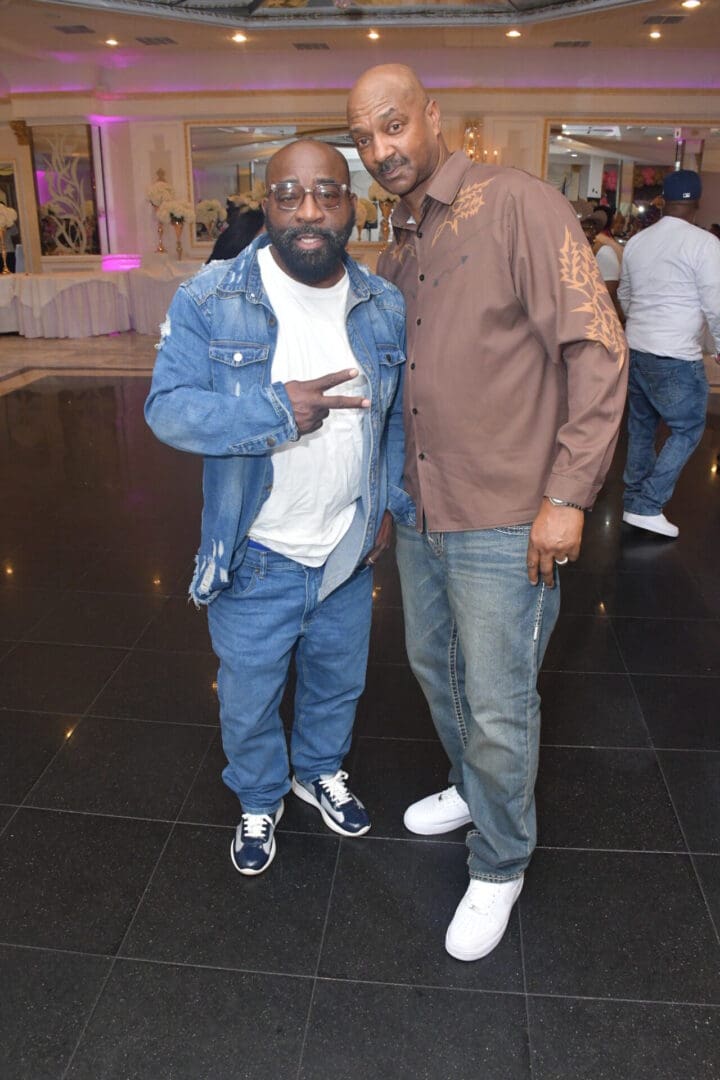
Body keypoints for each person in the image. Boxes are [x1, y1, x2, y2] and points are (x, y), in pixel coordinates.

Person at [347, 64, 627, 961]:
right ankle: (476, 786)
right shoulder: (400, 242)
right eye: (363, 138)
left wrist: (566, 497)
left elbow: (598, 348)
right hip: (428, 508)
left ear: (433, 117)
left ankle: (500, 860)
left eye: (393, 126)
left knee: (502, 701)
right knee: (437, 670)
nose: (380, 150)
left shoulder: (517, 203)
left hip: (511, 513)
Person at [145, 139, 411, 876]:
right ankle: (260, 797)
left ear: (352, 204)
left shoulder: (382, 303)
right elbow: (167, 410)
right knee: (250, 697)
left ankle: (316, 769)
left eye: (327, 193)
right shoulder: (210, 297)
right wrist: (274, 411)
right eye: (289, 195)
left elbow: (393, 421)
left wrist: (384, 504)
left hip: (345, 548)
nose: (309, 211)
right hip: (255, 548)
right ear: (266, 203)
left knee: (337, 681)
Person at [619, 169, 720, 539]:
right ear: (696, 202)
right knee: (688, 427)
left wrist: (644, 322)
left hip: (637, 349)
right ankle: (647, 504)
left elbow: (625, 296)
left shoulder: (638, 241)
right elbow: (717, 305)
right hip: (675, 354)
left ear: (664, 199)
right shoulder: (704, 244)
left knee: (641, 427)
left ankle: (634, 501)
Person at [581, 210, 622, 315]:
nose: (586, 231)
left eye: (589, 227)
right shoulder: (567, 251)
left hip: (596, 316)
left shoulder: (604, 252)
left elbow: (609, 295)